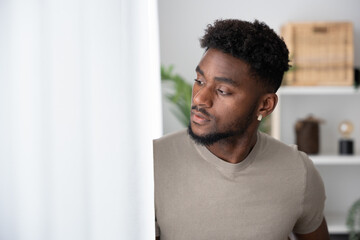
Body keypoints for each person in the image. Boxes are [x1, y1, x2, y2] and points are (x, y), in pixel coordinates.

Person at [154, 19, 330, 240]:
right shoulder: (154, 163)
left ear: (265, 105)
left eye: (222, 90)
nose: (199, 98)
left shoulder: (298, 172)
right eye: (199, 80)